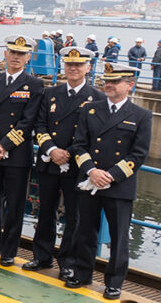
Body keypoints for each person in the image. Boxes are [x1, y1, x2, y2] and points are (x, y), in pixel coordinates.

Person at [65, 63, 150, 300]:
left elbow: (138, 154)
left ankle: (114, 282)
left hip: (119, 184)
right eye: (106, 80)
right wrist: (92, 171)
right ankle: (82, 273)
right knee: (85, 231)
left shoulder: (141, 115)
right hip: (90, 182)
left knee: (119, 236)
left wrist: (110, 175)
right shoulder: (90, 110)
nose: (108, 85)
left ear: (130, 85)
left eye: (115, 82)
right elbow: (79, 144)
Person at [25, 47, 104, 279]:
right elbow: (40, 125)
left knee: (74, 217)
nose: (73, 69)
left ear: (88, 68)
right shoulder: (51, 93)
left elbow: (93, 135)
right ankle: (41, 256)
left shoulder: (96, 98)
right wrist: (51, 150)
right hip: (50, 162)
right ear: (63, 67)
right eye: (69, 64)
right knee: (45, 211)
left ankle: (68, 262)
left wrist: (67, 153)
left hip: (76, 166)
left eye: (78, 65)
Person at [0, 35, 44, 266]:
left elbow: (28, 120)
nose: (16, 57)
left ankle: (9, 250)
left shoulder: (34, 85)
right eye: (12, 52)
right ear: (5, 54)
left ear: (28, 57)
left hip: (16, 156)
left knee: (14, 206)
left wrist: (4, 145)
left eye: (21, 54)